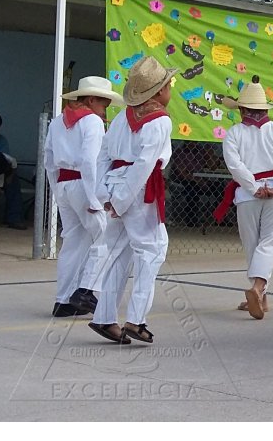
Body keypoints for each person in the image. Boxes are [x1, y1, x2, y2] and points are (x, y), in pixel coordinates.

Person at [88, 56, 175, 345]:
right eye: (167, 85)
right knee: (152, 251)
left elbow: (102, 156)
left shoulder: (121, 120)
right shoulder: (159, 120)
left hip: (116, 185)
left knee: (119, 254)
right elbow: (144, 166)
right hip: (138, 192)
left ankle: (104, 317)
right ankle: (136, 320)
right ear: (159, 92)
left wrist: (105, 194)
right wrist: (122, 200)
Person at [216, 78, 273, 320]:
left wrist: (253, 187)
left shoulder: (234, 134)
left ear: (242, 109)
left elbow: (235, 166)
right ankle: (260, 294)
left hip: (246, 195)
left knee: (252, 245)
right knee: (269, 243)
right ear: (265, 109)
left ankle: (258, 291)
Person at [43, 76, 123, 317]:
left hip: (65, 185)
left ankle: (63, 300)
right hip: (85, 185)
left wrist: (58, 190)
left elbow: (48, 160)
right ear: (91, 99)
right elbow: (90, 161)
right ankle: (86, 291)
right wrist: (94, 197)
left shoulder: (57, 122)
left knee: (74, 243)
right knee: (105, 238)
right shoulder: (93, 122)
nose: (105, 109)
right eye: (104, 103)